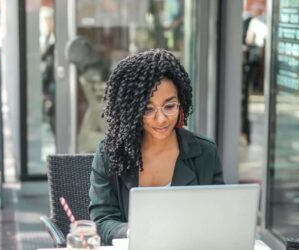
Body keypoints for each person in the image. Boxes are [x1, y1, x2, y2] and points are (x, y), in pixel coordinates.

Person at [88, 49, 224, 245]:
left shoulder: (205, 153)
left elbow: (218, 217)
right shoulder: (110, 153)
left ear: (181, 104)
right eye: (148, 109)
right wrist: (132, 231)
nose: (160, 119)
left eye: (169, 106)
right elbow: (101, 221)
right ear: (131, 111)